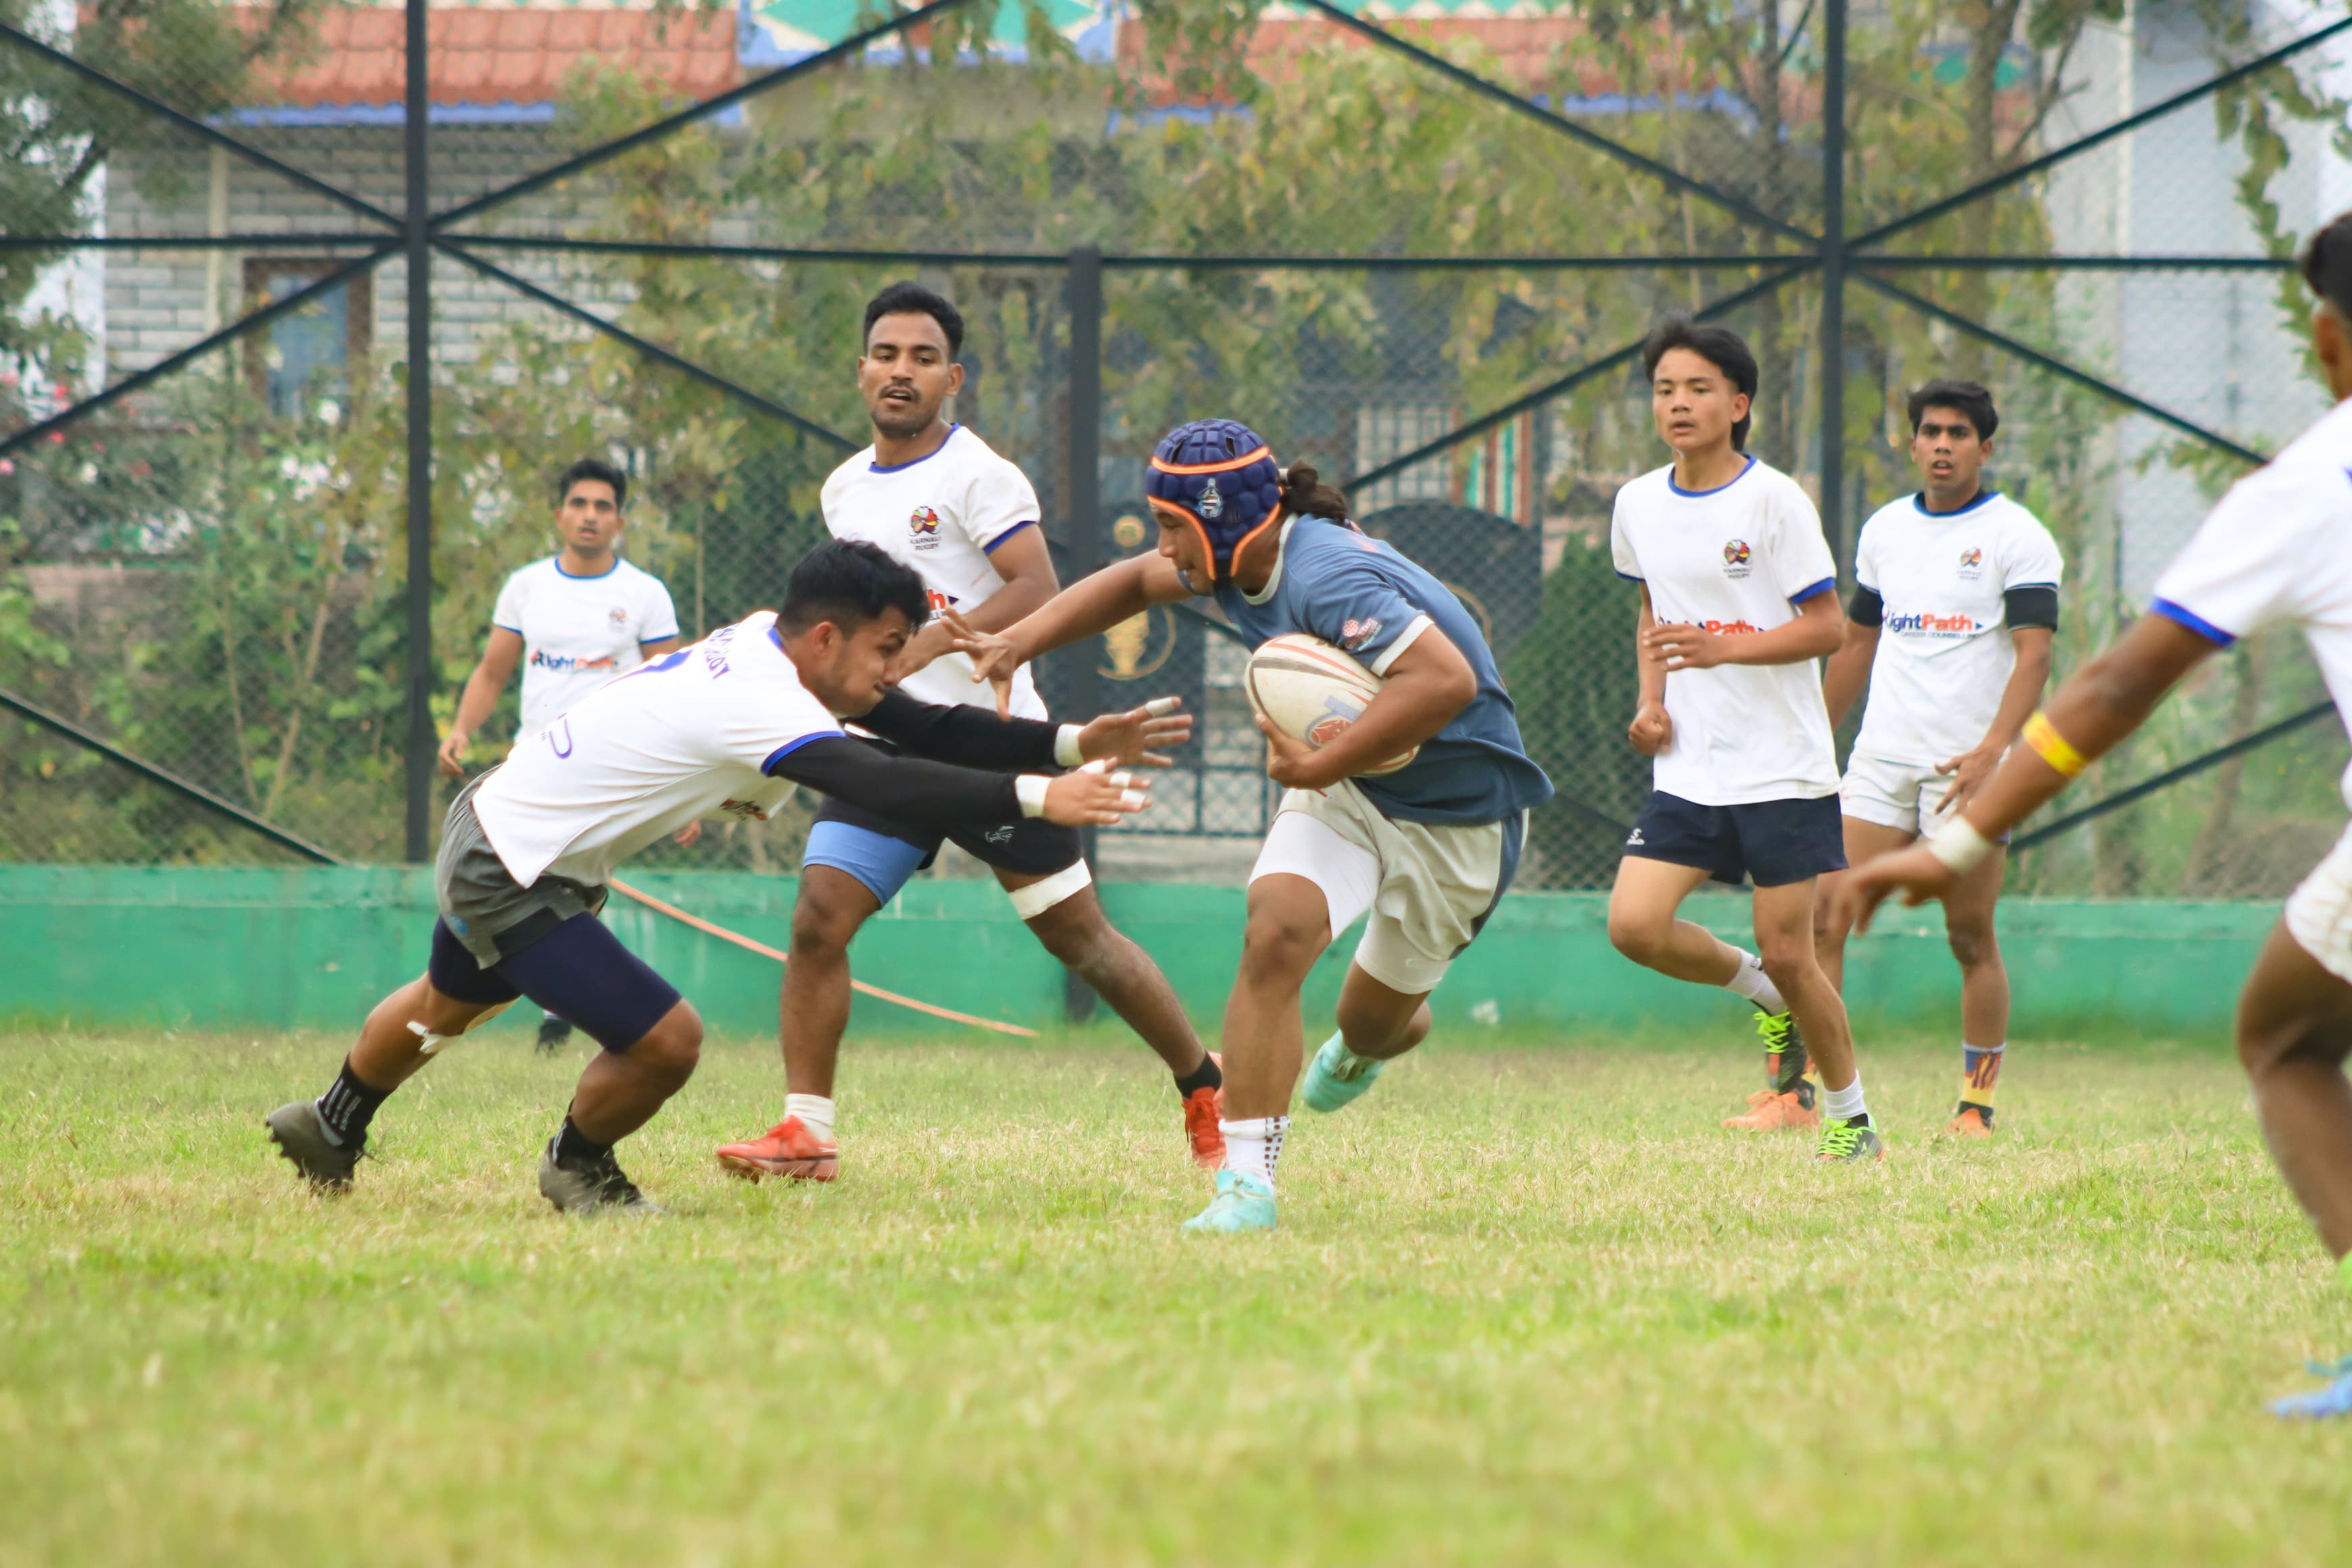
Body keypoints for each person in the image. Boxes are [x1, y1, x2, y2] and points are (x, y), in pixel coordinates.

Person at [1835, 209, 2352, 1417]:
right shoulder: (1888, 534)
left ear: (2327, 338)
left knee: (2286, 1038)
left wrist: (1957, 835)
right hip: (1891, 764)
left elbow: (2116, 681)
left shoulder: (2315, 481)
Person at [265, 541, 1169, 1213]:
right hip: (511, 864)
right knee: (668, 1042)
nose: (898, 672)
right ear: (826, 638)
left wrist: (1073, 742)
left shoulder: (767, 649)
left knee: (448, 1001)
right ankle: (578, 1168)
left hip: (510, 831)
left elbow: (924, 732)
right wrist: (1047, 798)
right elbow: (881, 777)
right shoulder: (764, 699)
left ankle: (332, 1122)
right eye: (890, 650)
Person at [959, 418, 1555, 1234]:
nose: (1166, 548)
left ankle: (1361, 1047)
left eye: (1175, 527)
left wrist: (1314, 765)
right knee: (1274, 929)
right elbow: (1132, 583)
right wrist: (1017, 640)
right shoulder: (1241, 565)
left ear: (1227, 518)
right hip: (1349, 791)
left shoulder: (1326, 575)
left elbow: (1444, 681)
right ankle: (1247, 1187)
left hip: (1458, 818)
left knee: (1373, 1020)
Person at [712, 283, 1223, 1186]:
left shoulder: (977, 474)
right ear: (862, 369)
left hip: (988, 742)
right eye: (884, 354)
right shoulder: (843, 488)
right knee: (819, 922)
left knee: (1083, 943)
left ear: (953, 378)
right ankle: (806, 1133)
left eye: (919, 358)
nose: (899, 371)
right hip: (884, 744)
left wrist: (941, 638)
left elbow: (1035, 586)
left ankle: (1202, 1083)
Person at [1604, 317, 1878, 1162]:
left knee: (1795, 952)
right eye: (1664, 390)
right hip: (1691, 768)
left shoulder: (1773, 500)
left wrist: (1725, 647)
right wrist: (1653, 703)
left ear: (1738, 403)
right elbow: (1652, 608)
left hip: (1782, 769)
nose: (1679, 404)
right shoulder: (1638, 503)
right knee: (1635, 926)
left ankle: (1850, 1118)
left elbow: (1829, 627)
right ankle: (1759, 989)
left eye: (1698, 389)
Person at [1813, 381, 2061, 1138]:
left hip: (1969, 768)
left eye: (1959, 433)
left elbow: (2035, 655)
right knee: (1824, 916)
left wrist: (1994, 751)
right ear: (1913, 444)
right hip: (1881, 760)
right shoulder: (1886, 530)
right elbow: (1858, 642)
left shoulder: (2020, 537)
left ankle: (1976, 1105)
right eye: (1930, 431)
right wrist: (1814, 735)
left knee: (1969, 936)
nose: (1943, 444)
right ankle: (1826, 1098)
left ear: (1986, 449)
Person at [437, 457, 685, 1053]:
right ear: (560, 516)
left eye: (603, 507)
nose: (590, 517)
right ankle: (494, 990)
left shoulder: (644, 595)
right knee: (515, 875)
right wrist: (462, 730)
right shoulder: (527, 586)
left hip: (610, 772)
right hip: (534, 767)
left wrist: (685, 794)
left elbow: (673, 691)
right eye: (579, 504)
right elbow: (494, 670)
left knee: (578, 880)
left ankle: (560, 1001)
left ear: (619, 521)